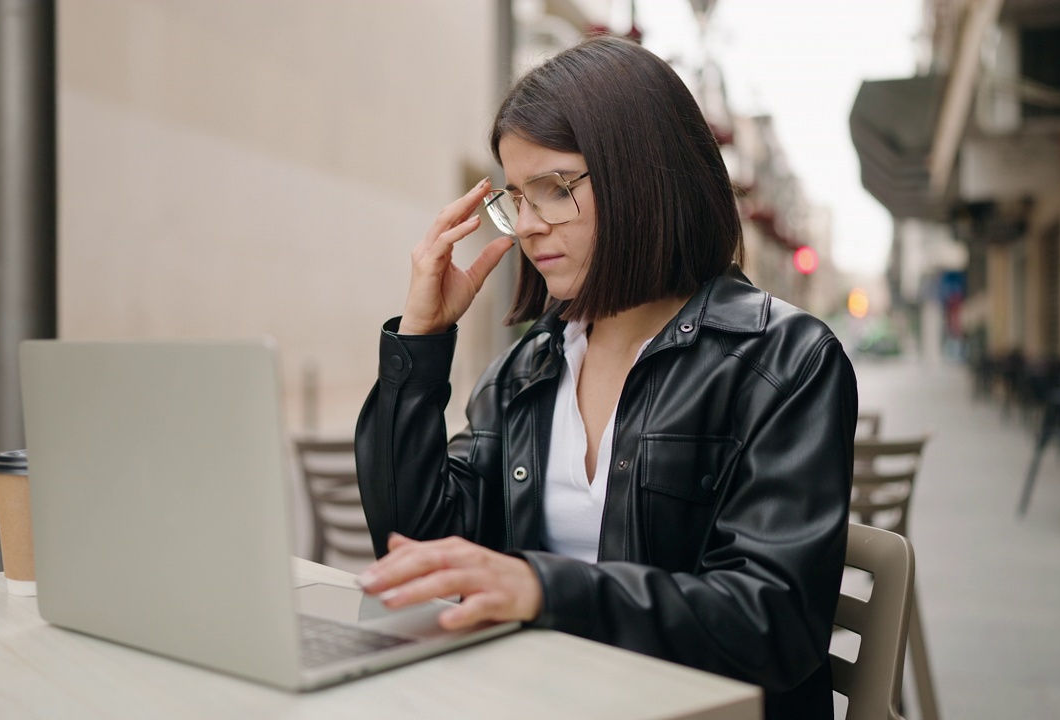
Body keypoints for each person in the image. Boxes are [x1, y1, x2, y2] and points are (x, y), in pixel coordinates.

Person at [354, 35, 856, 720]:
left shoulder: (783, 360)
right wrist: (420, 342)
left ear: (644, 177)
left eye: (554, 190)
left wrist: (544, 590)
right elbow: (414, 537)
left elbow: (774, 621)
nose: (528, 228)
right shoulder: (528, 370)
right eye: (515, 199)